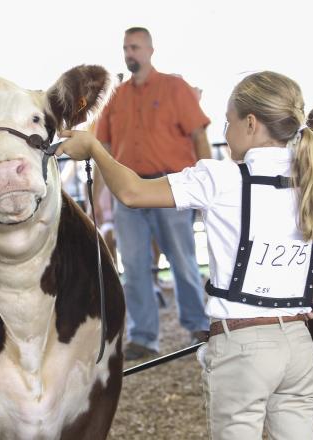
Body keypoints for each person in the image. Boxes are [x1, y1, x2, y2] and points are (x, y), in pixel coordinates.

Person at [57, 71, 313, 439]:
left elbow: (133, 192)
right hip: (298, 346)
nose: (225, 130)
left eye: (228, 121)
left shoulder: (219, 178)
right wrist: (305, 294)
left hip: (242, 350)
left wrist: (94, 148)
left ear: (250, 123)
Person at [95, 27, 211, 360]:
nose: (129, 53)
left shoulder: (175, 88)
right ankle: (143, 337)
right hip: (127, 192)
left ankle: (198, 326)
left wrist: (206, 187)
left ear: (149, 50)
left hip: (171, 187)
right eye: (125, 48)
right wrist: (101, 200)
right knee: (133, 265)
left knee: (183, 260)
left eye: (135, 47)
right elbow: (103, 148)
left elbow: (200, 138)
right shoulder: (115, 95)